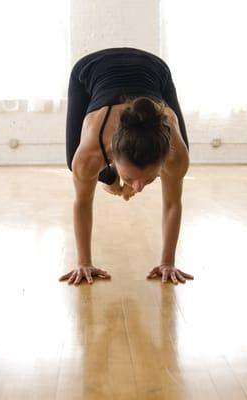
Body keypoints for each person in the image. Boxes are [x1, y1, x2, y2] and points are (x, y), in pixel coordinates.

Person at [59, 47, 194, 286]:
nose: (139, 188)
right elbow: (82, 203)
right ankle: (112, 180)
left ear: (164, 159)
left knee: (180, 165)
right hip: (90, 70)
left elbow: (173, 203)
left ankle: (122, 178)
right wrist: (83, 263)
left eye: (149, 179)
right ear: (111, 155)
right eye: (131, 179)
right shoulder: (92, 150)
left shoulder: (177, 155)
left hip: (155, 70)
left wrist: (167, 263)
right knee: (74, 163)